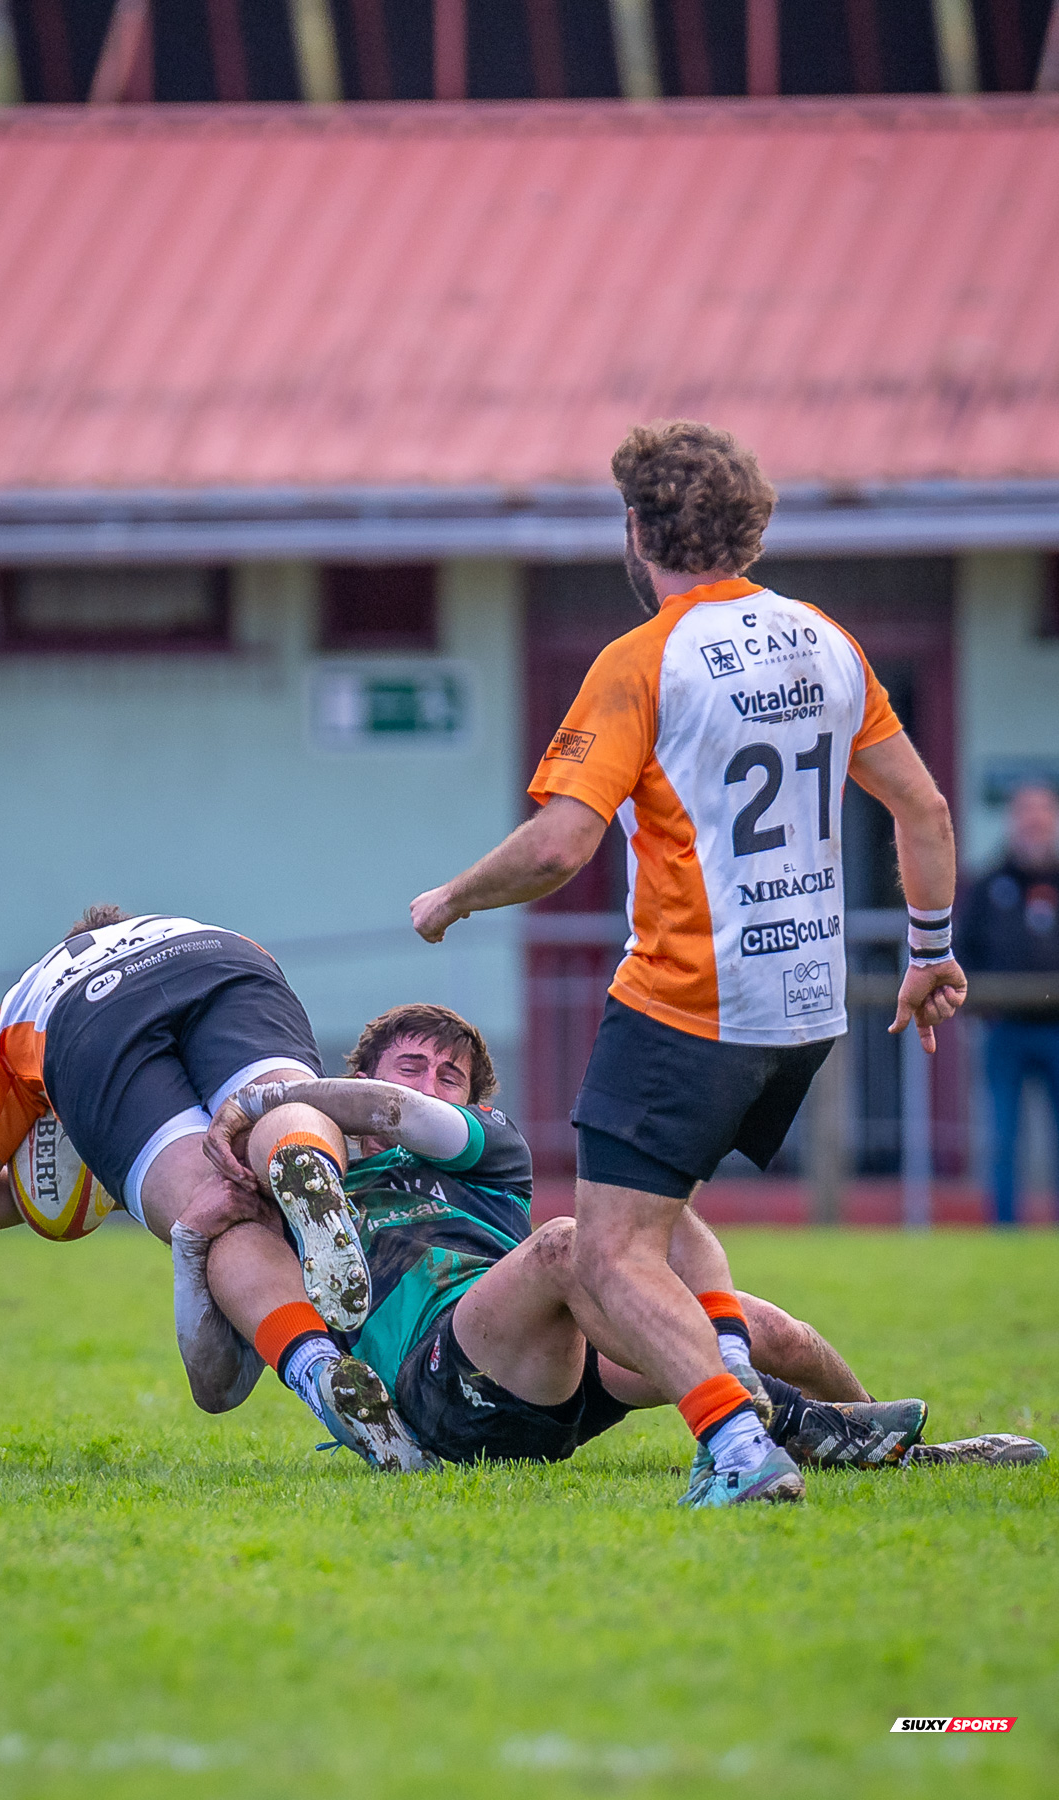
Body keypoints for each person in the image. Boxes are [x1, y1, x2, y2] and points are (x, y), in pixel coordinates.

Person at [409, 420, 968, 1507]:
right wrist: (928, 954)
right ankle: (768, 1388)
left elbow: (559, 846)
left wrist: (454, 897)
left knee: (606, 1251)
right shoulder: (823, 639)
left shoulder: (640, 661)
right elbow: (923, 807)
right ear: (750, 527)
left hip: (685, 1003)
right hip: (802, 1008)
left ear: (635, 527)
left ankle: (738, 1444)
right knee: (666, 1216)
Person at [201, 1003, 1044, 1481]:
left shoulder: (489, 1144)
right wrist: (212, 1208)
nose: (429, 1084)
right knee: (565, 1246)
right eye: (410, 1066)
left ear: (473, 1101)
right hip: (435, 1390)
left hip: (542, 1364)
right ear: (358, 1075)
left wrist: (271, 1096)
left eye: (447, 1075)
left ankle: (888, 1448)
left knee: (757, 1320)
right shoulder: (303, 1178)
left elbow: (401, 1115)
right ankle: (776, 1419)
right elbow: (213, 1372)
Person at [0, 905, 431, 1475]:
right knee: (275, 1105)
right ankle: (308, 1165)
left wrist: (107, 1167)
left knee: (219, 1211)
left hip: (86, 1014)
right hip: (228, 962)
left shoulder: (31, 994)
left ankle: (317, 1368)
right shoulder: (188, 926)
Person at [956, 782, 1059, 1225]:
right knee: (1001, 1136)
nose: (1034, 820)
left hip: (1056, 1029)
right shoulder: (988, 884)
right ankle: (1004, 1229)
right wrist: (980, 1005)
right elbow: (962, 951)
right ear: (1013, 820)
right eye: (1026, 811)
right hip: (1005, 1031)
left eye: (1043, 810)